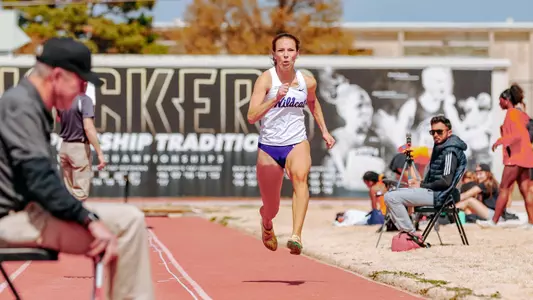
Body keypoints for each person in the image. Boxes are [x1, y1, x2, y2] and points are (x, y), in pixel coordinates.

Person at [0, 37, 154, 299]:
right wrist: (87, 219)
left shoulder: (28, 103)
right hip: (9, 220)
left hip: (26, 211)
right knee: (126, 225)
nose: (84, 89)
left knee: (130, 218)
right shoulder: (21, 105)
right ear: (58, 76)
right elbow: (39, 178)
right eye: (82, 82)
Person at [247, 32, 335, 255]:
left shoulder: (308, 82)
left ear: (297, 54)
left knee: (301, 179)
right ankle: (266, 222)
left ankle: (296, 235)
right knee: (272, 205)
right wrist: (274, 99)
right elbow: (251, 116)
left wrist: (325, 131)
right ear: (273, 54)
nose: (286, 55)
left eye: (290, 50)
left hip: (296, 141)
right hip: (269, 146)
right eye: (281, 51)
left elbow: (313, 103)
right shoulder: (266, 79)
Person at [384, 115, 468, 236]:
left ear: (449, 132)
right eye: (432, 132)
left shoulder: (449, 151)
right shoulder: (441, 147)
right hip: (434, 192)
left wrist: (421, 184)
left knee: (391, 197)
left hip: (439, 195)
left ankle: (411, 234)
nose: (435, 135)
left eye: (439, 131)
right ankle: (409, 230)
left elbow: (446, 182)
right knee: (394, 193)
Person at [478, 84, 533, 228]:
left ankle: (494, 221)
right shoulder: (521, 113)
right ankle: (532, 222)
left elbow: (517, 135)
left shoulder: (511, 113)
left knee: (504, 188)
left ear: (506, 99)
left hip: (515, 157)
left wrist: (500, 141)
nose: (499, 103)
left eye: (500, 100)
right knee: (525, 190)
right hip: (526, 157)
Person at [57, 81, 106, 201]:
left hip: (64, 146)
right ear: (83, 84)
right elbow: (88, 128)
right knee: (80, 193)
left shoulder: (62, 100)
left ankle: (66, 218)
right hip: (79, 148)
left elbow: (59, 118)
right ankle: (76, 219)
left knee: (68, 193)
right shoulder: (84, 100)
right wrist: (99, 153)